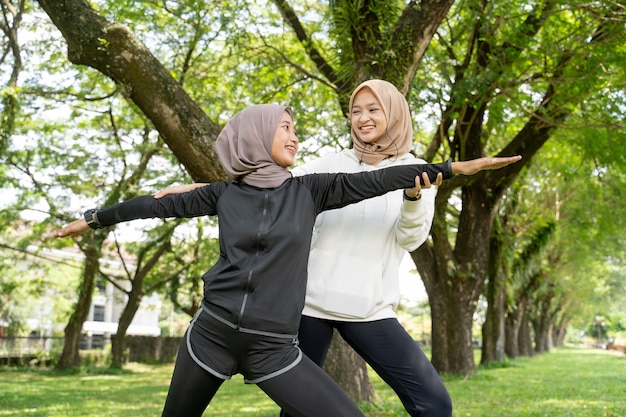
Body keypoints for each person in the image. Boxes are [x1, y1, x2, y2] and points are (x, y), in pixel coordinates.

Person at [54, 103, 520, 417]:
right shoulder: (223, 195)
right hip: (209, 337)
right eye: (286, 128)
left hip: (272, 347)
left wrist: (454, 168)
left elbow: (385, 179)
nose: (295, 138)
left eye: (297, 130)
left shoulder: (313, 190)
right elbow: (151, 205)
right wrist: (92, 219)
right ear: (256, 136)